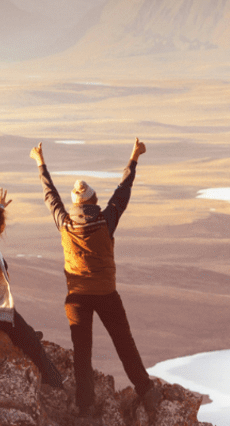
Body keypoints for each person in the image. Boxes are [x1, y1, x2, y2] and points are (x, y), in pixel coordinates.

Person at [33, 138, 162, 417]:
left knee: (82, 353)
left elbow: (50, 196)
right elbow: (123, 191)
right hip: (106, 294)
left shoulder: (65, 224)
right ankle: (146, 391)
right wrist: (134, 157)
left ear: (76, 204)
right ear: (92, 201)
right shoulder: (106, 221)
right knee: (124, 344)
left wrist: (40, 162)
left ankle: (86, 408)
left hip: (76, 298)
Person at [0, 190, 65, 388]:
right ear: (1, 228)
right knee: (33, 344)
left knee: (24, 326)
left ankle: (28, 333)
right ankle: (55, 381)